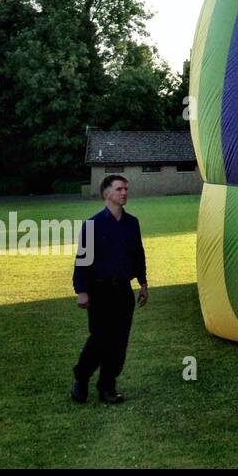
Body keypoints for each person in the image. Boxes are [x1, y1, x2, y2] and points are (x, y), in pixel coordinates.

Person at [71, 174, 148, 405]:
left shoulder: (132, 223)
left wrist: (143, 283)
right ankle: (81, 377)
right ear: (106, 194)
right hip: (99, 292)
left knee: (119, 341)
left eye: (126, 188)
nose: (124, 193)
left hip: (123, 292)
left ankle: (107, 386)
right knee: (100, 338)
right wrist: (81, 290)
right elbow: (82, 260)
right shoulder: (92, 225)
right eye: (119, 189)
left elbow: (138, 254)